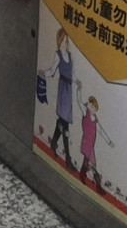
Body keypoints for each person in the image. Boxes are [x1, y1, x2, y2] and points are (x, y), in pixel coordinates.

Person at [39, 28, 75, 170]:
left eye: (67, 41)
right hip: (63, 90)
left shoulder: (70, 56)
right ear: (60, 41)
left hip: (69, 90)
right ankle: (68, 159)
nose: (66, 43)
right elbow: (52, 70)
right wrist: (44, 73)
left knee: (62, 121)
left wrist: (77, 82)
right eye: (65, 41)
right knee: (64, 124)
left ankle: (53, 143)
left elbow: (73, 73)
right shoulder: (58, 55)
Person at [76, 80, 113, 196]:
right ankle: (96, 186)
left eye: (94, 107)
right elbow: (79, 101)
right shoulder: (85, 113)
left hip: (90, 145)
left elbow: (100, 130)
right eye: (91, 105)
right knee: (90, 163)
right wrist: (79, 89)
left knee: (90, 164)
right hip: (86, 142)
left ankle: (84, 175)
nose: (92, 108)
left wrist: (109, 141)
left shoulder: (95, 119)